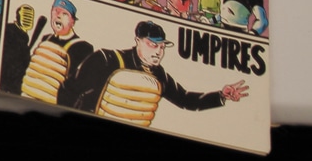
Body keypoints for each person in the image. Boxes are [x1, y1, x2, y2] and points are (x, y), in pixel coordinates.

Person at [69, 21, 246, 124]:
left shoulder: (158, 75)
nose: (159, 52)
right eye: (153, 45)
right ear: (138, 41)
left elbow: (185, 99)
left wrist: (221, 95)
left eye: (162, 47)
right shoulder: (107, 59)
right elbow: (72, 90)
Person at [1, 0, 94, 106]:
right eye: (56, 11)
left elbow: (76, 88)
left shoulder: (82, 48)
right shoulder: (46, 39)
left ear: (72, 21)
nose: (58, 16)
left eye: (65, 14)